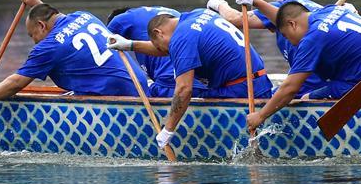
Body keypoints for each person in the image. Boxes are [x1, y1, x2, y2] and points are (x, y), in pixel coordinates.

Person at [107, 8, 270, 149]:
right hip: (259, 82)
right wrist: (129, 45)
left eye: (158, 45)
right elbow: (166, 48)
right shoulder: (197, 15)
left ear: (158, 33)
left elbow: (184, 89)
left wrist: (168, 130)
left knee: (186, 95)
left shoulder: (181, 38)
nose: (162, 52)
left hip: (242, 91)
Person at [0, 0, 148, 107]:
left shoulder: (49, 47)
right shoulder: (84, 15)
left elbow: (16, 83)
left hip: (118, 98)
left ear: (41, 26)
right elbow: (58, 18)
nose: (34, 42)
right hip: (140, 86)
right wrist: (37, 3)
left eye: (33, 36)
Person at [245, 1, 361, 134]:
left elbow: (290, 88)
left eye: (286, 36)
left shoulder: (312, 39)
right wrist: (254, 1)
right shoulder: (331, 9)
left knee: (306, 97)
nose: (290, 43)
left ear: (292, 24)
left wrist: (260, 116)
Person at [208, 0, 328, 97]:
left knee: (269, 99)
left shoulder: (279, 9)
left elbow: (236, 18)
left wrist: (218, 3)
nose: (269, 29)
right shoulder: (301, 4)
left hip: (311, 84)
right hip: (327, 76)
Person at [107, 6, 209, 98]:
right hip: (201, 82)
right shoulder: (166, 15)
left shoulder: (120, 19)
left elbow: (105, 47)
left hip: (170, 86)